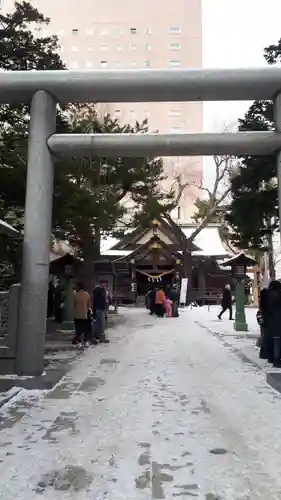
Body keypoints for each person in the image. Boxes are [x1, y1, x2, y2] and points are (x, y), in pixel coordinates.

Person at [259, 280, 281, 366]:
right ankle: (276, 359)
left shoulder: (265, 294)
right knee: (277, 339)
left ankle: (270, 357)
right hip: (277, 319)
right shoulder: (278, 295)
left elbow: (262, 307)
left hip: (267, 319)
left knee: (269, 338)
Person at [72, 282, 92, 348]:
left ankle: (79, 342)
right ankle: (86, 341)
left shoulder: (75, 295)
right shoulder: (87, 295)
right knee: (85, 328)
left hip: (77, 315)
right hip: (85, 315)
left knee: (78, 329)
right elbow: (89, 306)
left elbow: (73, 305)